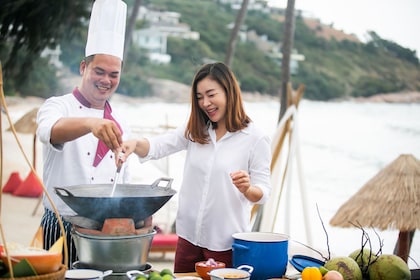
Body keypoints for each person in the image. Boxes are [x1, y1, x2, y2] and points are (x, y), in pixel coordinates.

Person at [119, 62, 272, 272]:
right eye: (199, 97)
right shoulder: (195, 130)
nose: (205, 103)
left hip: (225, 244)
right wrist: (135, 144)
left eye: (211, 94)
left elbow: (263, 193)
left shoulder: (256, 138)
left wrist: (247, 188)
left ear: (229, 92)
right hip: (188, 238)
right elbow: (158, 146)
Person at [36, 0, 129, 267]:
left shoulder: (120, 120)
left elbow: (124, 181)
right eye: (99, 71)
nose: (106, 80)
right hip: (60, 223)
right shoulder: (58, 105)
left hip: (104, 229)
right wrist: (90, 124)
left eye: (114, 74)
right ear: (83, 68)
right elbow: (49, 131)